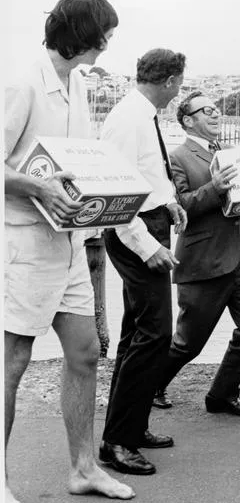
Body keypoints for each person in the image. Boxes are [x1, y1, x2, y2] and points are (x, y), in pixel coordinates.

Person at [4, 0, 134, 503]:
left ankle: (83, 469)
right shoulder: (21, 82)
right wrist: (39, 188)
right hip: (24, 243)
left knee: (84, 352)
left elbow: (71, 159)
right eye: (104, 34)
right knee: (12, 361)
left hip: (70, 240)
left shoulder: (77, 83)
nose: (107, 44)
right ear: (81, 34)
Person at [154, 91, 240, 418]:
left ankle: (222, 395)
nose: (216, 113)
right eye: (207, 110)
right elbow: (180, 206)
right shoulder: (177, 158)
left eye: (217, 108)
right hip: (205, 261)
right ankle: (151, 384)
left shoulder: (231, 153)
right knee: (187, 344)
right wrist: (215, 187)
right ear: (188, 120)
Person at [99, 49, 188, 476]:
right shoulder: (127, 118)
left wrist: (169, 204)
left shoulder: (144, 114)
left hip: (151, 219)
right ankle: (117, 441)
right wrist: (146, 245)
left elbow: (149, 173)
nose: (179, 91)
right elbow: (115, 193)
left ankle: (131, 426)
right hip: (132, 231)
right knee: (155, 333)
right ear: (169, 80)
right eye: (180, 82)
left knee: (136, 331)